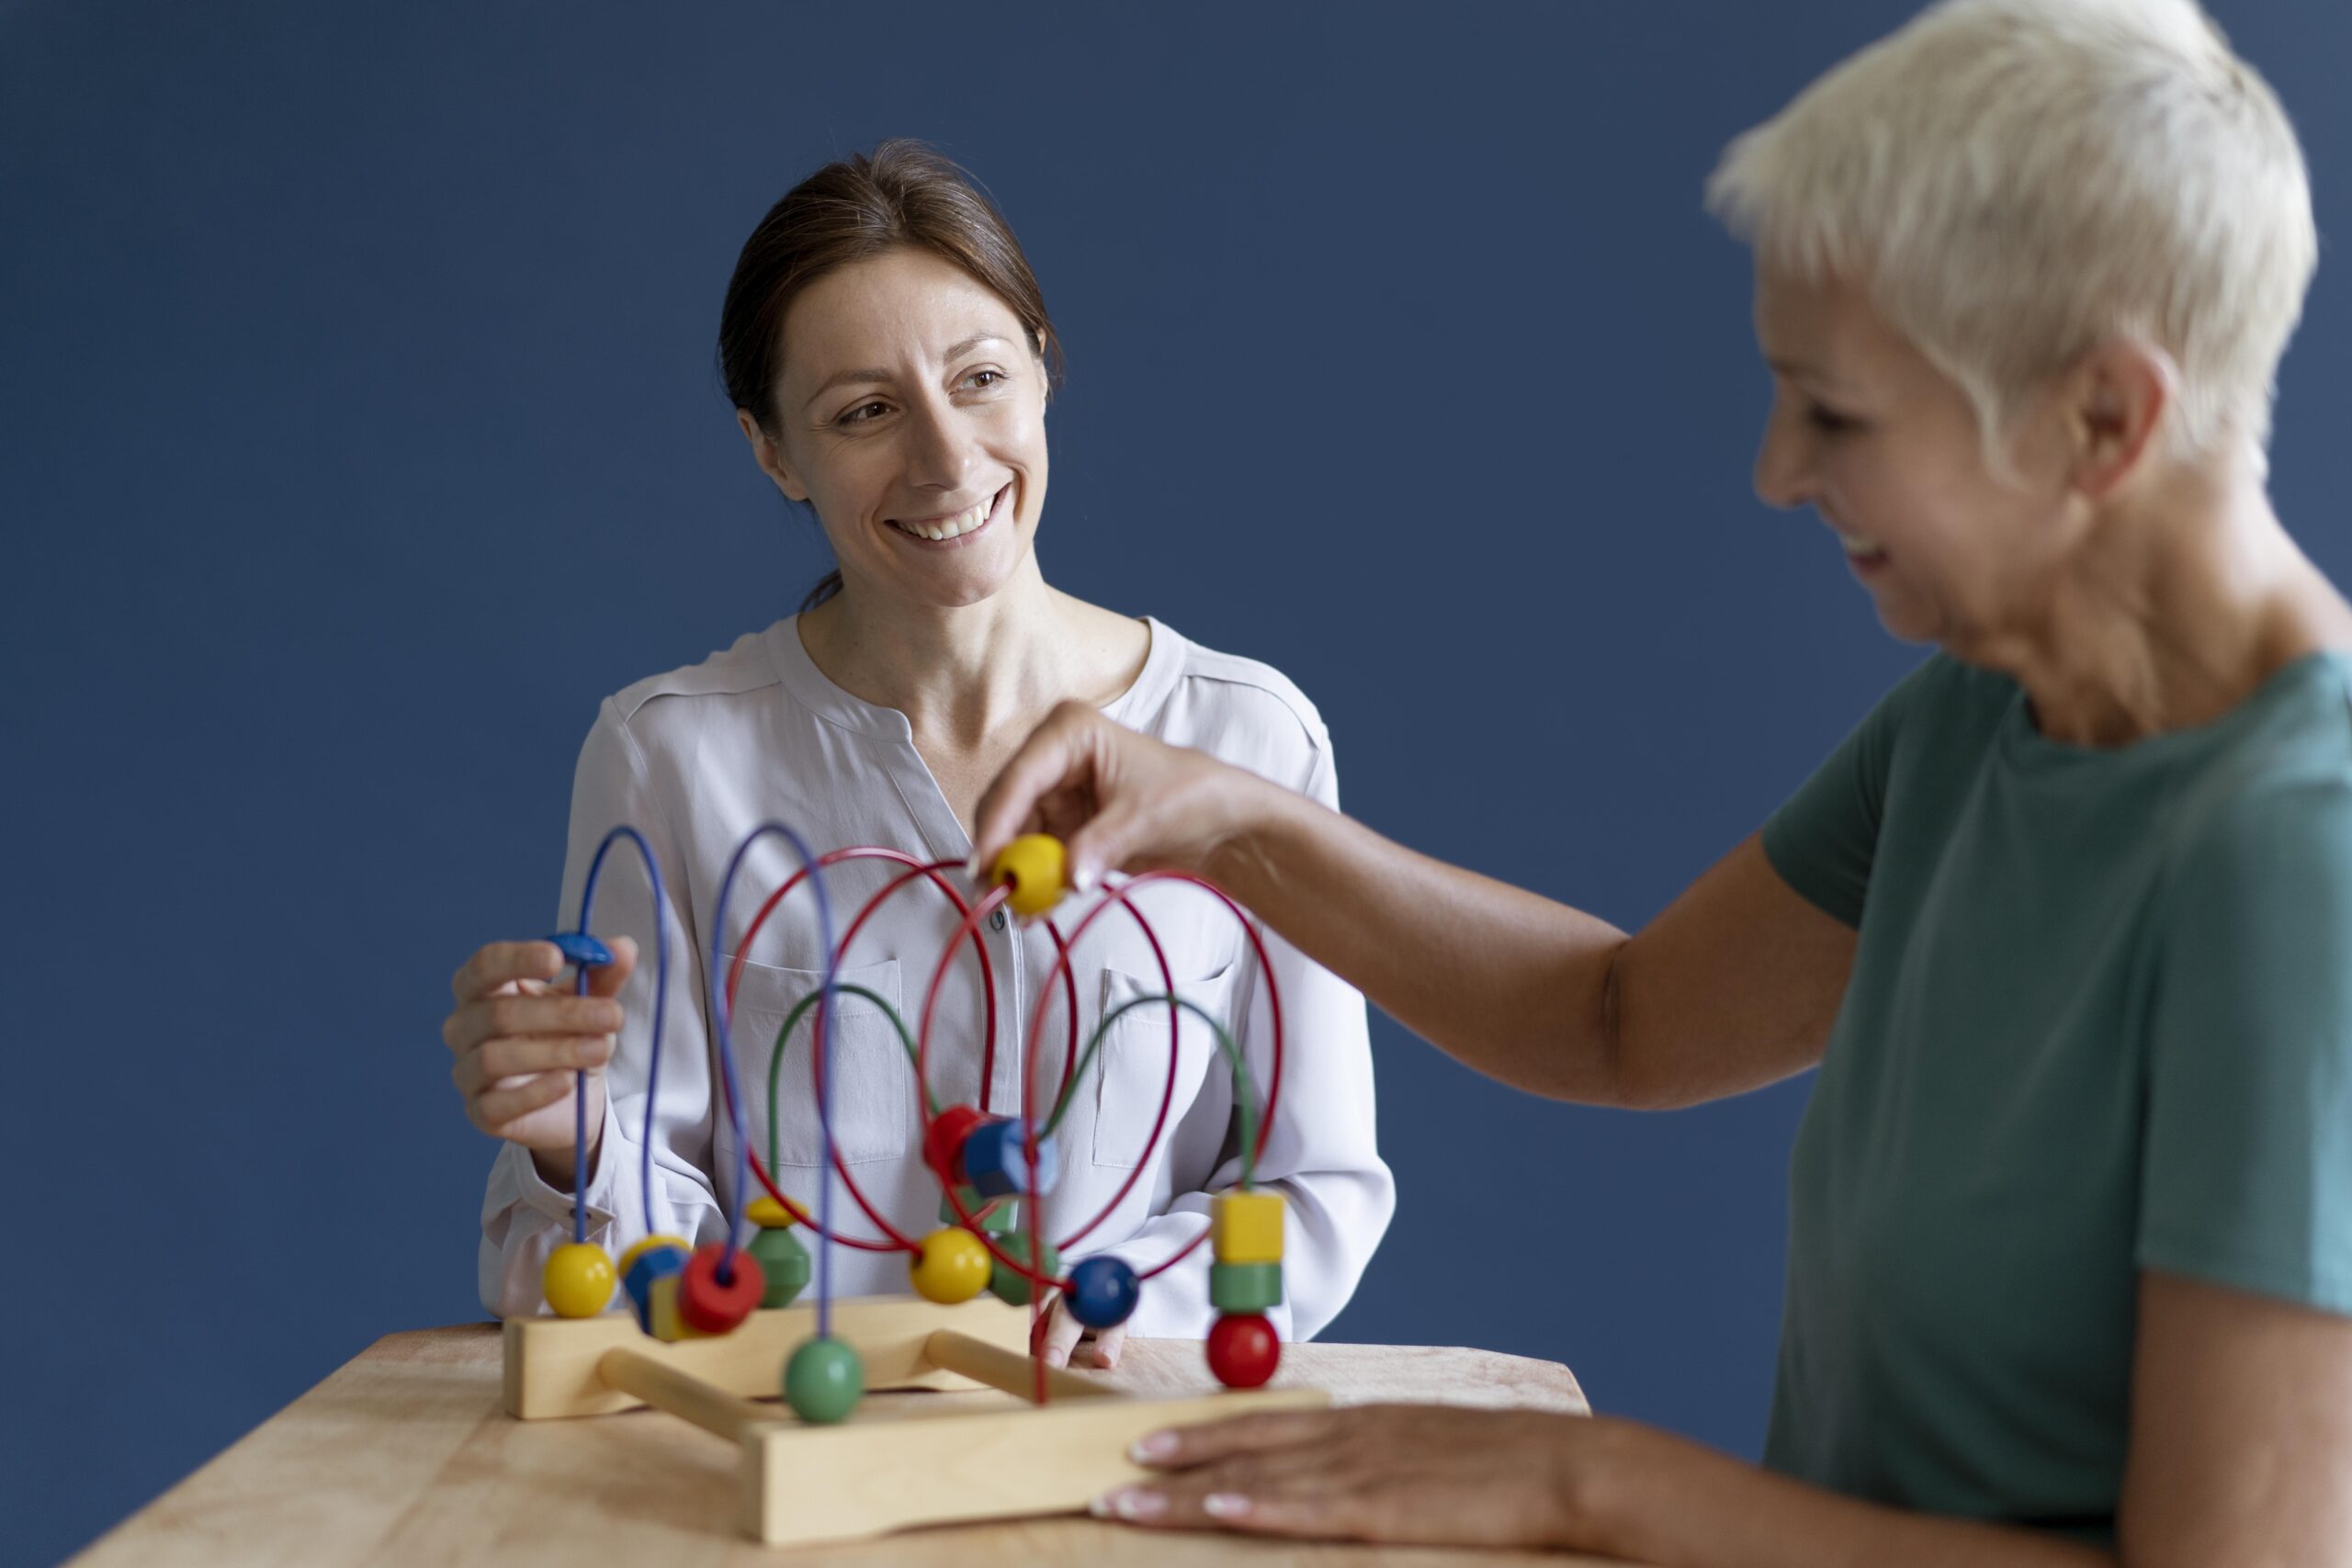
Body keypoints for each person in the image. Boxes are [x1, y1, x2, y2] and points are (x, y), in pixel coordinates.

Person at [970, 0, 2352, 1557]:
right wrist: (1221, 817)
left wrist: (1591, 1483)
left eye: (1835, 410)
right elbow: (1620, 1020)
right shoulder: (1982, 716)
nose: (1776, 469)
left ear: (2105, 414)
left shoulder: (2305, 860)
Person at [440, 141, 1393, 1367]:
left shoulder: (1246, 739)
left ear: (1045, 373)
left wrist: (1102, 1310)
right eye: (866, 412)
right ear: (773, 450)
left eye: (981, 378)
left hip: (1125, 1486)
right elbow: (601, 1275)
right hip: (780, 1497)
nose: (946, 460)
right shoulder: (668, 757)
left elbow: (1313, 1190)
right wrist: (569, 1146)